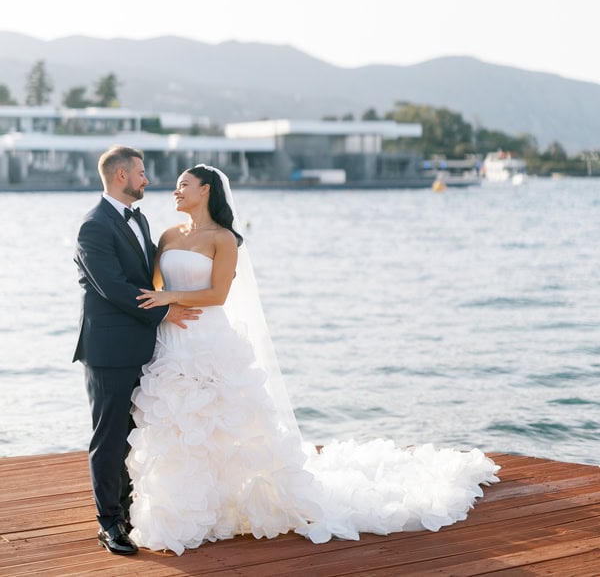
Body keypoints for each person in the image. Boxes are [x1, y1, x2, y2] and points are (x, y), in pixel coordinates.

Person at [127, 164, 499, 555]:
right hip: (173, 339)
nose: (175, 191)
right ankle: (186, 510)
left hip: (210, 339)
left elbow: (218, 295)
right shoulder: (168, 234)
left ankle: (229, 505)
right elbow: (155, 287)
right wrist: (166, 306)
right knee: (177, 423)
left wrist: (172, 298)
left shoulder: (224, 239)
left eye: (184, 185)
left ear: (206, 190)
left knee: (224, 422)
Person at [73, 146, 199, 556]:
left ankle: (130, 512)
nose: (147, 179)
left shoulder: (139, 219)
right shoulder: (93, 227)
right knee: (109, 438)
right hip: (108, 349)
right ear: (121, 175)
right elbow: (114, 289)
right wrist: (165, 310)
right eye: (142, 173)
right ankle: (109, 524)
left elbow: (146, 277)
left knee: (135, 435)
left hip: (144, 346)